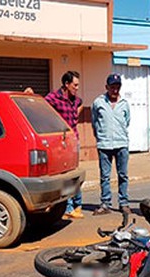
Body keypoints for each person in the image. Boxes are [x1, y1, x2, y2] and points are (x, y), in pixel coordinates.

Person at [45, 71, 85, 218]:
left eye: (78, 85)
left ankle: (78, 205)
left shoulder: (75, 100)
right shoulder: (54, 98)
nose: (76, 88)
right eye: (74, 85)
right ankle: (67, 208)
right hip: (61, 143)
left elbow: (80, 104)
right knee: (65, 175)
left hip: (74, 141)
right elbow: (43, 106)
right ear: (66, 85)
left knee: (74, 173)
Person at [91, 73, 131, 215]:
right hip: (104, 144)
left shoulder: (124, 103)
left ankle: (123, 203)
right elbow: (95, 122)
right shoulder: (98, 102)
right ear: (106, 87)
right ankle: (105, 203)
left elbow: (127, 121)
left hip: (121, 144)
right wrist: (101, 137)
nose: (115, 90)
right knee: (105, 176)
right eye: (112, 87)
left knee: (123, 175)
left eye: (117, 87)